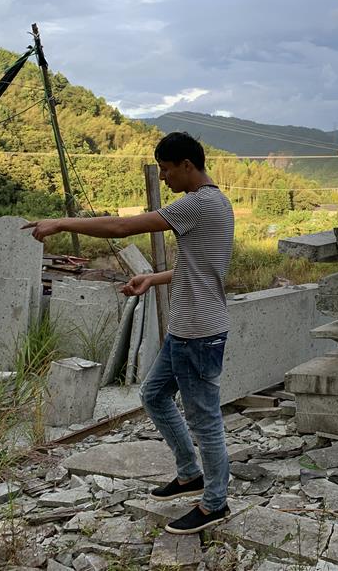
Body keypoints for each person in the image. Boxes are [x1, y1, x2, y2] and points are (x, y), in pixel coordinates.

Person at [24, 132, 234, 534]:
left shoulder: (198, 203)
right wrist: (153, 278)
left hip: (199, 333)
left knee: (204, 420)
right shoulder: (218, 204)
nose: (167, 179)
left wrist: (61, 222)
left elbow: (122, 227)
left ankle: (214, 503)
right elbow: (203, 268)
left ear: (187, 166)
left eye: (168, 170)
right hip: (186, 328)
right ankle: (189, 473)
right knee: (153, 394)